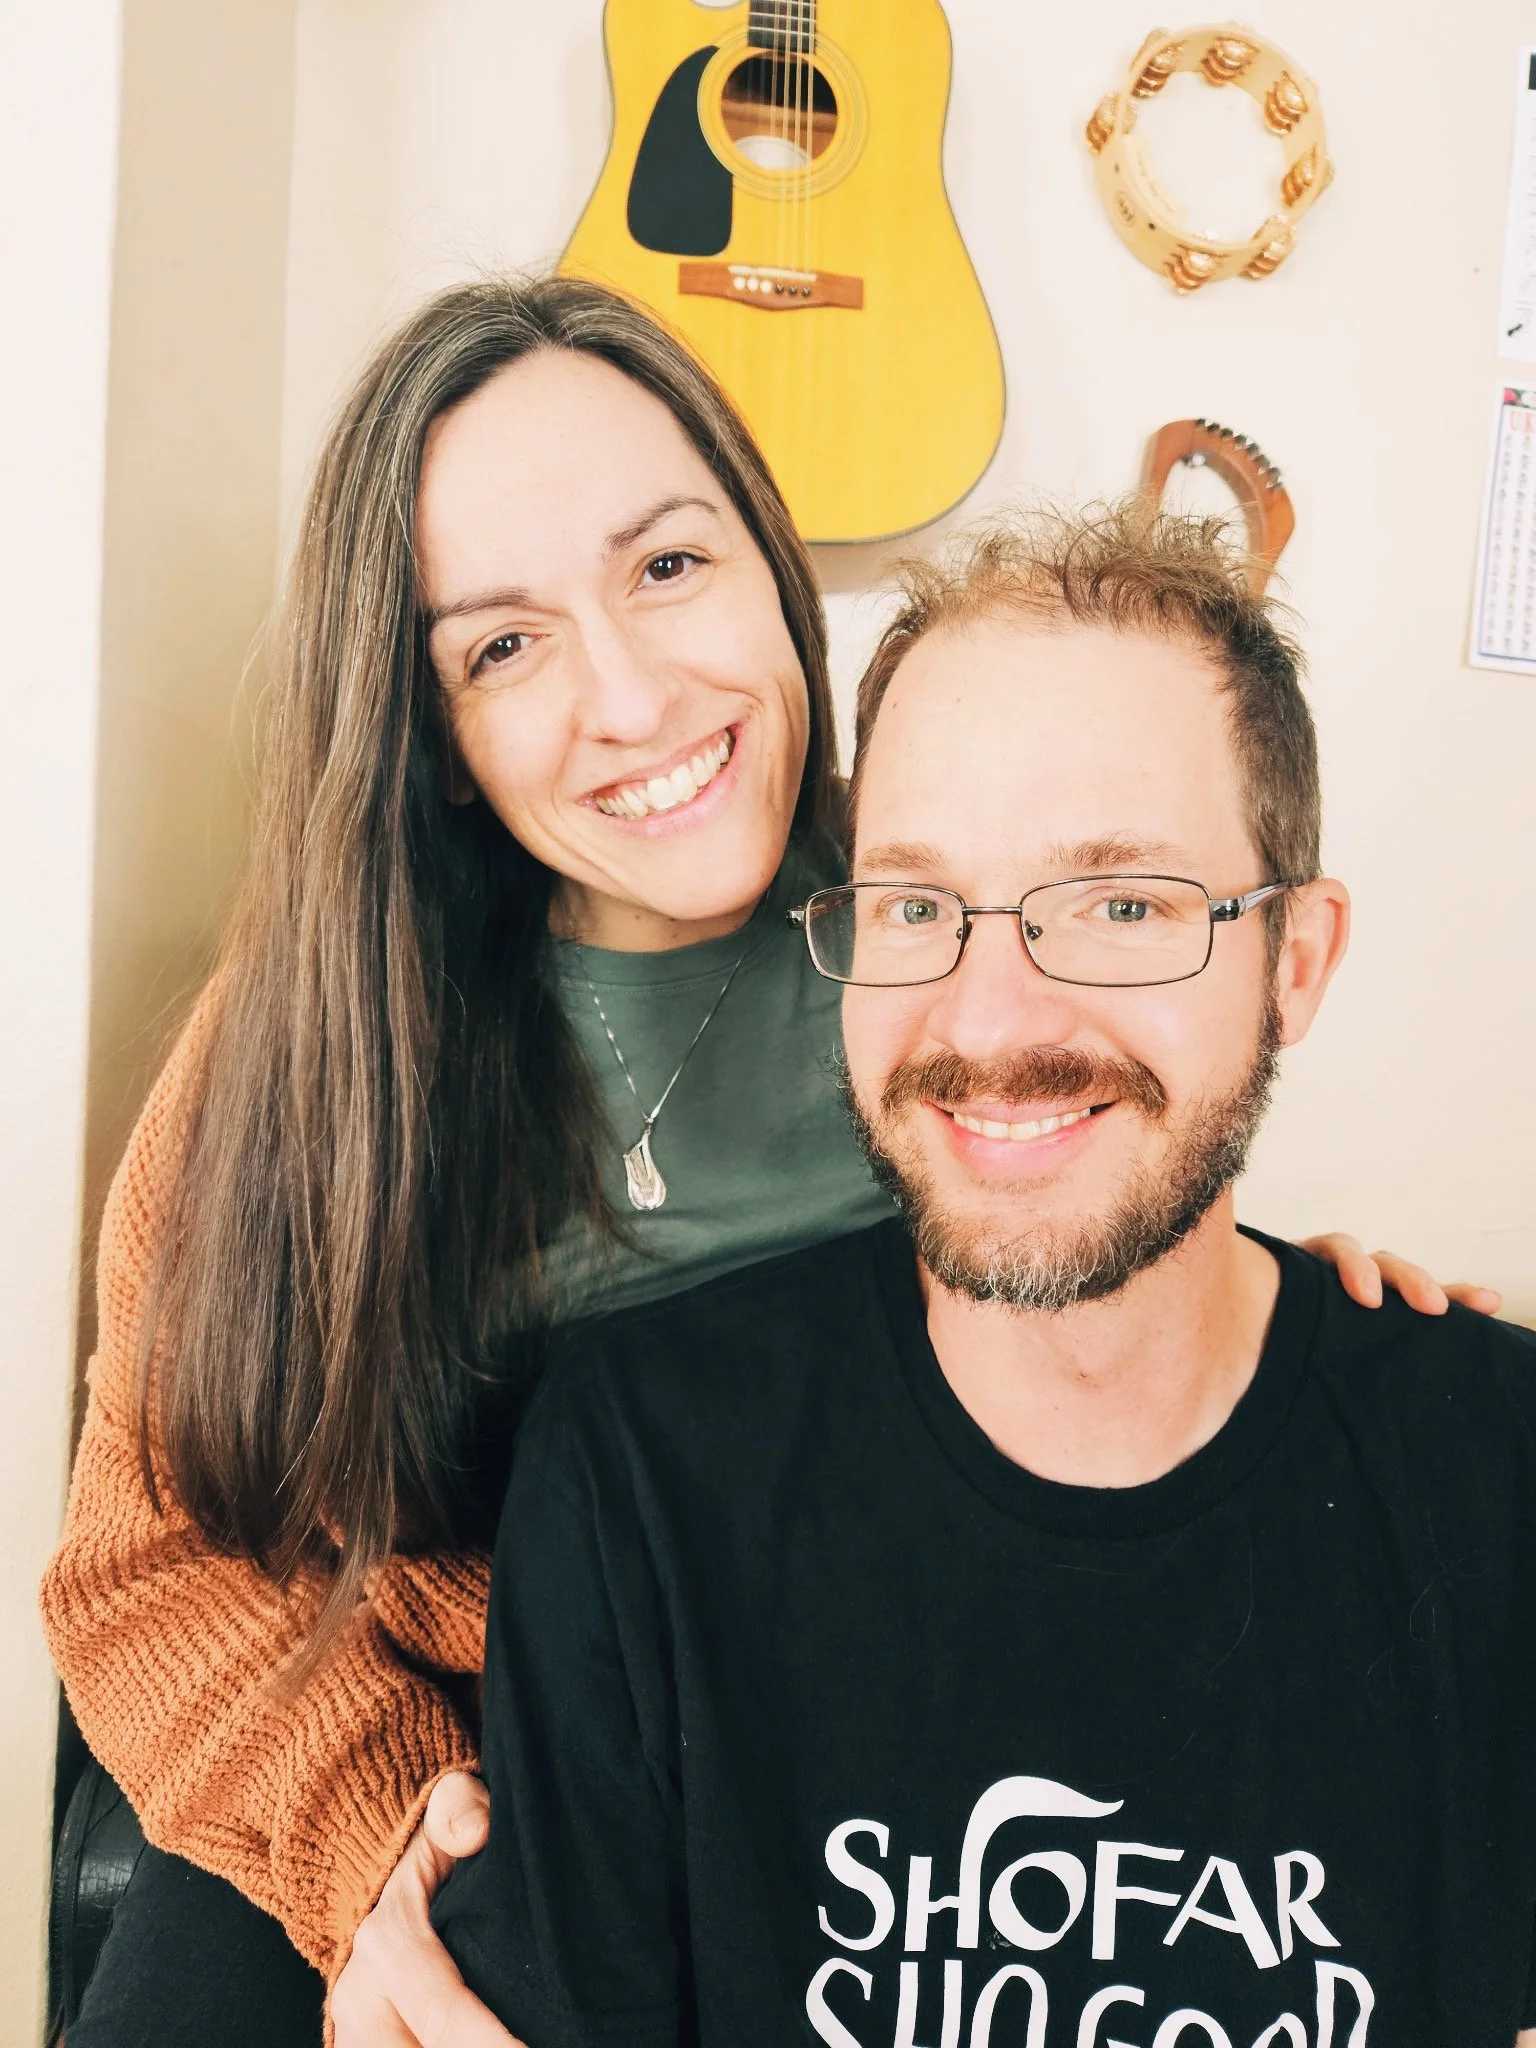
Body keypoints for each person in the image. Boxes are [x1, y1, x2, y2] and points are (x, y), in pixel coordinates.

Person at [39, 275, 1490, 2048]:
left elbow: (1109, 1218)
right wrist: (386, 1844)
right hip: (403, 1766)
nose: (632, 696)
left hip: (805, 1760)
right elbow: (143, 1565)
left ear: (772, 561)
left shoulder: (937, 945)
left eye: (668, 565)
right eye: (502, 647)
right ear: (435, 733)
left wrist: (1313, 1349)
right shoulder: (319, 1034)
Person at [432, 506, 1536, 2047]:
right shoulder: (639, 1473)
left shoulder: (1499, 1477)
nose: (992, 1018)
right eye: (915, 907)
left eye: (1122, 904)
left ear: (1295, 960)